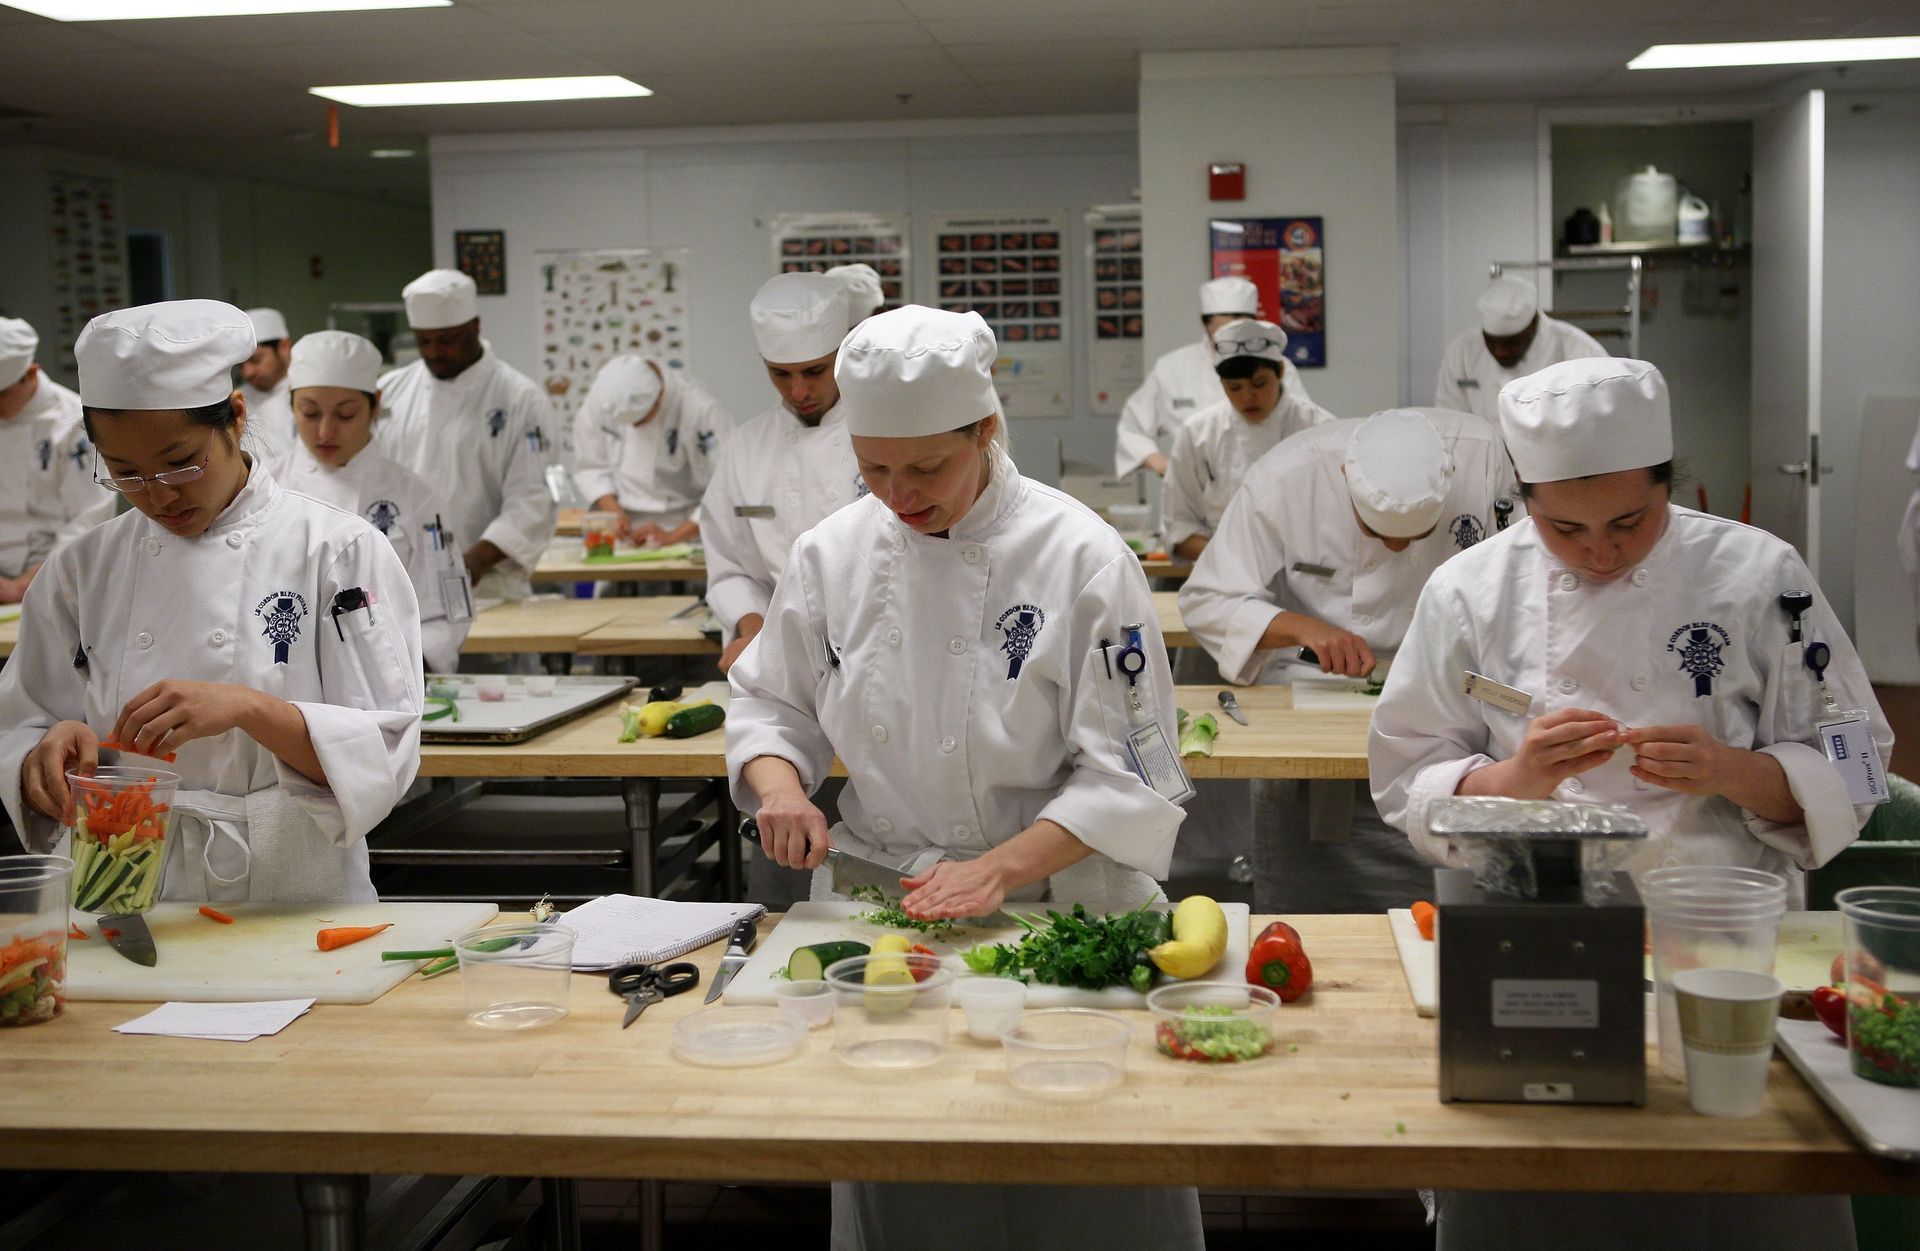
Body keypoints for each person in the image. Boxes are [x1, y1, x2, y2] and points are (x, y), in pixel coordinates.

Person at [1370, 358, 1884, 1251]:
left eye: (1628, 522)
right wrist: (1520, 776)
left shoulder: (1760, 573)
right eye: (1564, 527)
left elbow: (1861, 762)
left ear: (1668, 486)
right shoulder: (1467, 590)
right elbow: (1404, 779)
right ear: (1525, 499)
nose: (1600, 552)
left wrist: (1733, 768)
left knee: (1740, 1187)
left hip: (1725, 948)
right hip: (1531, 942)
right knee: (1535, 1194)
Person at [727, 306, 1199, 1249]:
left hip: (1068, 910)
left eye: (927, 468)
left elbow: (1132, 772)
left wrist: (998, 869)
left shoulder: (1081, 556)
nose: (899, 494)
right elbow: (771, 705)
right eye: (875, 469)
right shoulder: (832, 554)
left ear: (986, 430)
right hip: (888, 908)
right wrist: (781, 787)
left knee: (1086, 1170)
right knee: (910, 1172)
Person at [0, 300, 423, 903]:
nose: (158, 495)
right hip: (118, 881)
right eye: (126, 473)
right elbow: (19, 722)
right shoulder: (80, 569)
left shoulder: (337, 550)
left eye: (181, 463)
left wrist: (251, 709)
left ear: (236, 417)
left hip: (289, 887)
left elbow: (387, 751)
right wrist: (45, 755)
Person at [1180, 407, 1515, 913]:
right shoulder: (1285, 478)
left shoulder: (1487, 462)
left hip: (1453, 702)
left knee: (1457, 900)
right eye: (1378, 532)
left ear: (1451, 481)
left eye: (1416, 536)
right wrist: (1304, 627)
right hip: (1316, 692)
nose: (1397, 548)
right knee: (1306, 896)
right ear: (1344, 480)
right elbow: (1208, 599)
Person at [275, 330, 470, 674]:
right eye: (309, 413)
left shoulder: (415, 497)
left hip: (389, 681)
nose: (325, 432)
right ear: (290, 405)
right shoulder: (267, 490)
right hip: (287, 680)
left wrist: (401, 675)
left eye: (345, 415)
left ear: (375, 404)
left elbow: (448, 611)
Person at [700, 272, 865, 675]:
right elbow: (730, 569)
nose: (798, 392)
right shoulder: (746, 447)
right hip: (780, 657)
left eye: (814, 371)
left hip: (877, 650)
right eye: (780, 373)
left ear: (844, 352)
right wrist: (751, 626)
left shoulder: (886, 434)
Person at [375, 269, 557, 601]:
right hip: (400, 584)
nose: (433, 352)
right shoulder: (390, 392)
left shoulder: (520, 399)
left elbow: (533, 497)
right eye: (423, 341)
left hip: (487, 587)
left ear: (475, 326)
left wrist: (474, 561)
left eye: (446, 340)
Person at [1159, 318, 1337, 561]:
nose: (1247, 397)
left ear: (1281, 371)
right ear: (1221, 383)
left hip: (1307, 576)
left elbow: (1341, 520)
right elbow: (1179, 526)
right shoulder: (1198, 434)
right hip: (1224, 575)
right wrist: (1231, 560)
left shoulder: (1320, 430)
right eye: (1234, 388)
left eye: (1259, 384)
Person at [1112, 276, 1317, 478]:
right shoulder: (1172, 368)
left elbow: (1304, 432)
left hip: (1268, 487)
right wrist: (1166, 468)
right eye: (1224, 330)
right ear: (1205, 323)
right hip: (1201, 495)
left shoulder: (1276, 367)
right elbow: (1132, 427)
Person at [571, 354, 732, 548]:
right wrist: (614, 512)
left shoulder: (700, 410)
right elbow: (590, 465)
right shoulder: (602, 398)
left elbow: (726, 486)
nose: (635, 428)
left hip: (687, 527)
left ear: (660, 398)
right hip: (622, 527)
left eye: (641, 421)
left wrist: (672, 537)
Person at [0, 317, 103, 603]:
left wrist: (25, 585)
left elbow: (89, 519)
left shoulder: (75, 422)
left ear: (32, 373)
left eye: (1, 395)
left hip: (56, 577)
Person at [1432, 277, 1607, 426]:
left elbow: (1598, 422)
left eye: (1511, 343)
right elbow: (1449, 421)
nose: (1501, 352)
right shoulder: (1461, 353)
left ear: (1534, 323)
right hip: (1480, 462)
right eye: (1491, 342)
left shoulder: (1579, 351)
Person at [239, 308, 296, 461]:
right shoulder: (236, 401)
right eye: (240, 366)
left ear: (284, 347)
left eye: (256, 360)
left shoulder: (308, 393)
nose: (247, 373)